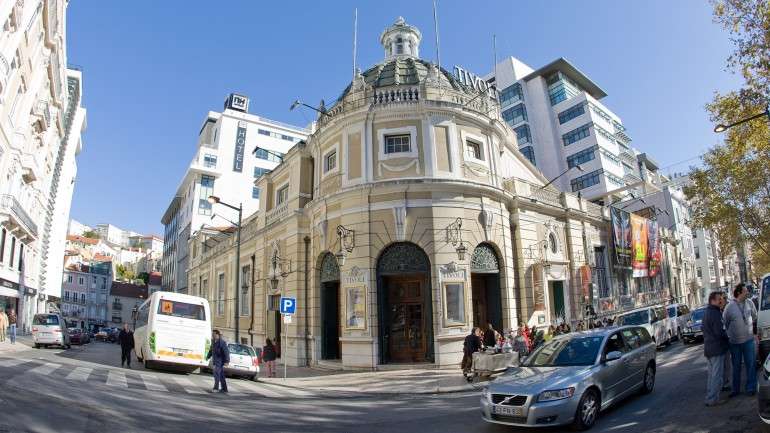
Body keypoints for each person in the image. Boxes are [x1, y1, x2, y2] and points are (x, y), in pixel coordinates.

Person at [723, 283, 758, 397]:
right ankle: (735, 389)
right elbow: (725, 323)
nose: (747, 292)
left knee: (751, 364)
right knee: (736, 366)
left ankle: (751, 387)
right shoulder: (729, 307)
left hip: (748, 340)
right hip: (735, 343)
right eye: (745, 291)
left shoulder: (749, 303)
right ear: (739, 293)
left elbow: (755, 317)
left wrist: (755, 333)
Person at [703, 291, 730, 406]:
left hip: (709, 349)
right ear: (712, 300)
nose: (721, 301)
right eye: (719, 299)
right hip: (717, 349)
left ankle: (710, 397)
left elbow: (703, 328)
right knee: (717, 376)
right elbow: (719, 332)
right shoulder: (714, 313)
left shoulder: (708, 312)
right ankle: (713, 399)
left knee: (711, 375)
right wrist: (727, 336)